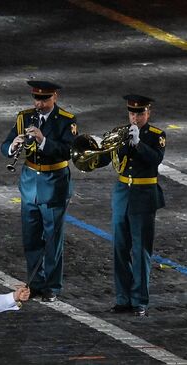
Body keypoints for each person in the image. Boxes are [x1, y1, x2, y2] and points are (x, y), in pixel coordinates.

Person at [1, 81, 78, 302]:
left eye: (44, 99)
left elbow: (67, 151)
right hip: (30, 184)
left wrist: (43, 140)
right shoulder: (25, 117)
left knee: (53, 239)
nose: (39, 103)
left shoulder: (66, 120)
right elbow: (5, 144)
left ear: (54, 97)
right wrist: (12, 147)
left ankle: (52, 286)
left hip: (54, 183)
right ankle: (35, 282)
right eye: (36, 98)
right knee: (31, 236)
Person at [96, 95, 165, 317]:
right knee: (120, 247)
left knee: (141, 249)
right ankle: (122, 298)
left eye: (140, 113)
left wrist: (138, 144)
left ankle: (140, 300)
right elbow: (105, 160)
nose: (135, 117)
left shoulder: (156, 136)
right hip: (122, 194)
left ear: (148, 113)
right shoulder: (120, 133)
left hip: (144, 196)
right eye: (132, 113)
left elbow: (155, 159)